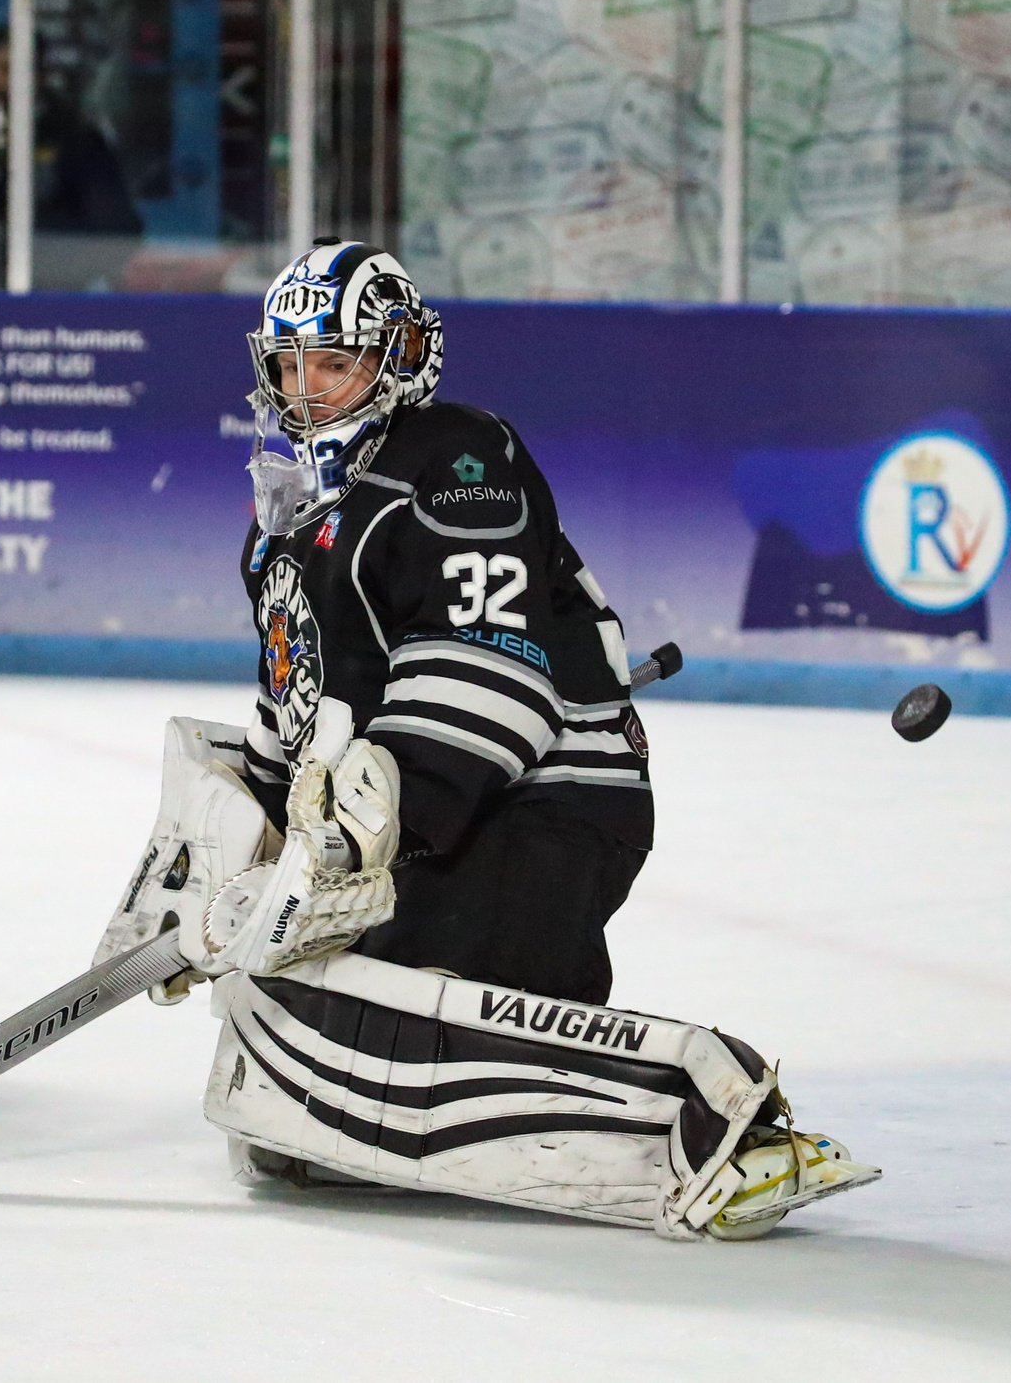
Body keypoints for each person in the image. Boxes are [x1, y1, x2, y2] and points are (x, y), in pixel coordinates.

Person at [92, 241, 880, 1240]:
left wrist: (352, 837)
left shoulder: (456, 462)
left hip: (538, 804)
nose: (308, 389)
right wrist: (205, 882)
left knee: (404, 1034)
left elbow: (489, 678)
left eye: (334, 361)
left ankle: (726, 1127)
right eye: (289, 364)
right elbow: (296, 722)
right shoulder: (281, 518)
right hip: (408, 826)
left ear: (401, 356)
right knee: (307, 1061)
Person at [0, 26, 143, 288]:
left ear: (42, 74)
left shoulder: (76, 135)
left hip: (49, 293)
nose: (14, 81)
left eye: (25, 70)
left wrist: (66, 274)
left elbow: (117, 226)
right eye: (5, 69)